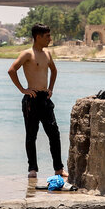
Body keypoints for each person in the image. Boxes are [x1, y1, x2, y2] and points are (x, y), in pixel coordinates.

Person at [7, 23, 65, 179]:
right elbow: (12, 70)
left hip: (45, 98)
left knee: (54, 133)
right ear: (38, 37)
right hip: (31, 99)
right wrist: (23, 89)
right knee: (31, 135)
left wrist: (51, 88)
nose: (50, 39)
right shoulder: (27, 54)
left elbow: (54, 70)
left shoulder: (47, 54)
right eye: (47, 36)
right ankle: (32, 169)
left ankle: (58, 169)